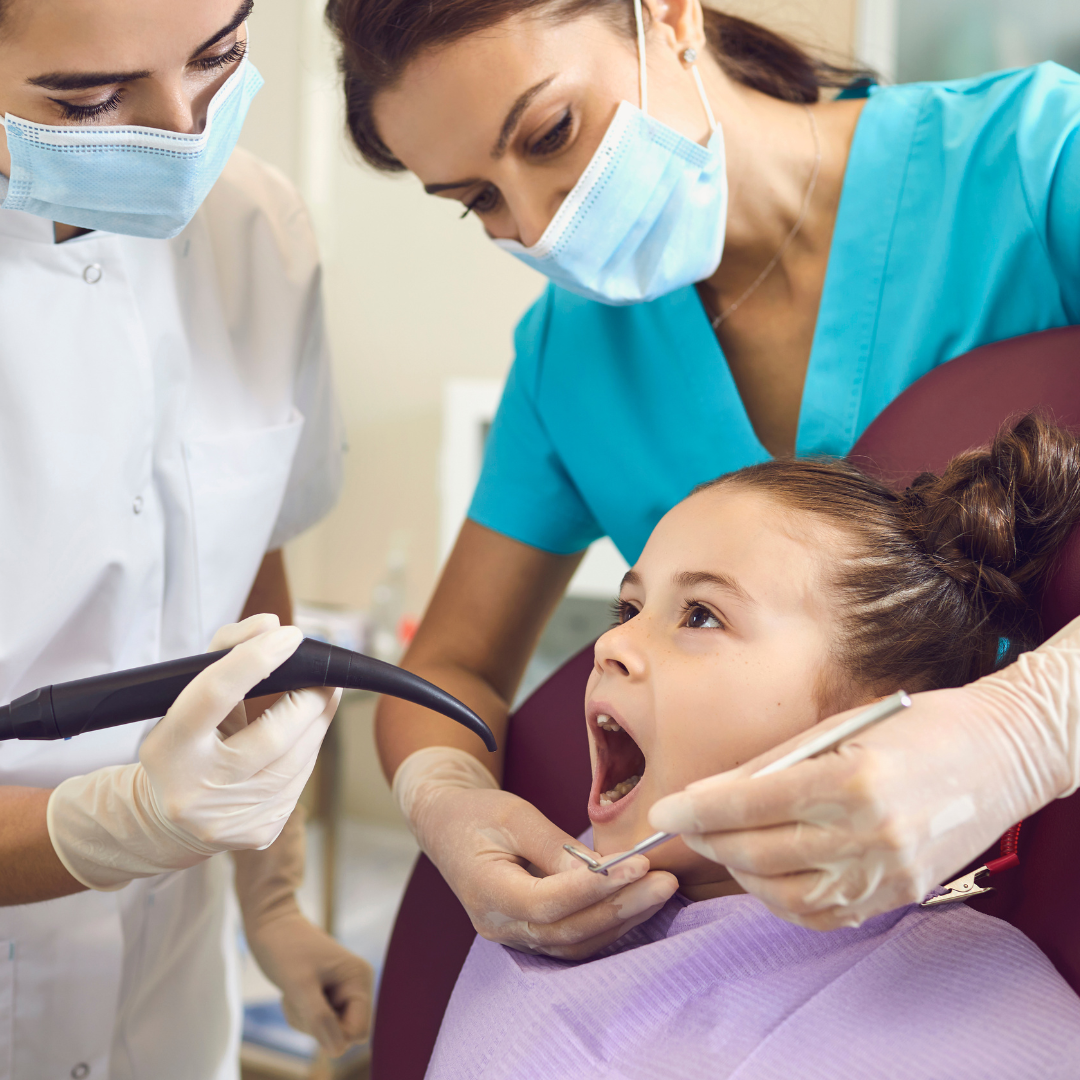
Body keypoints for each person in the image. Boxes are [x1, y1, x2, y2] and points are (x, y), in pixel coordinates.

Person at [325, 0, 1080, 946]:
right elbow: (453, 668)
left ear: (670, 16)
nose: (535, 224)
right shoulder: (574, 357)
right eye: (477, 199)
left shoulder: (1035, 164)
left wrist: (1029, 730)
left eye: (552, 133)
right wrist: (447, 800)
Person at [421, 415, 1080, 1078]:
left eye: (701, 615)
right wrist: (443, 793)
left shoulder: (983, 1027)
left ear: (877, 717)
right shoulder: (542, 889)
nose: (609, 645)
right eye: (628, 610)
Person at [0, 1, 369, 1076]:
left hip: (174, 983)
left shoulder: (259, 227)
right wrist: (104, 826)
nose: (182, 132)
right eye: (89, 100)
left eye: (220, 58)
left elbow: (250, 577)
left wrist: (276, 901)